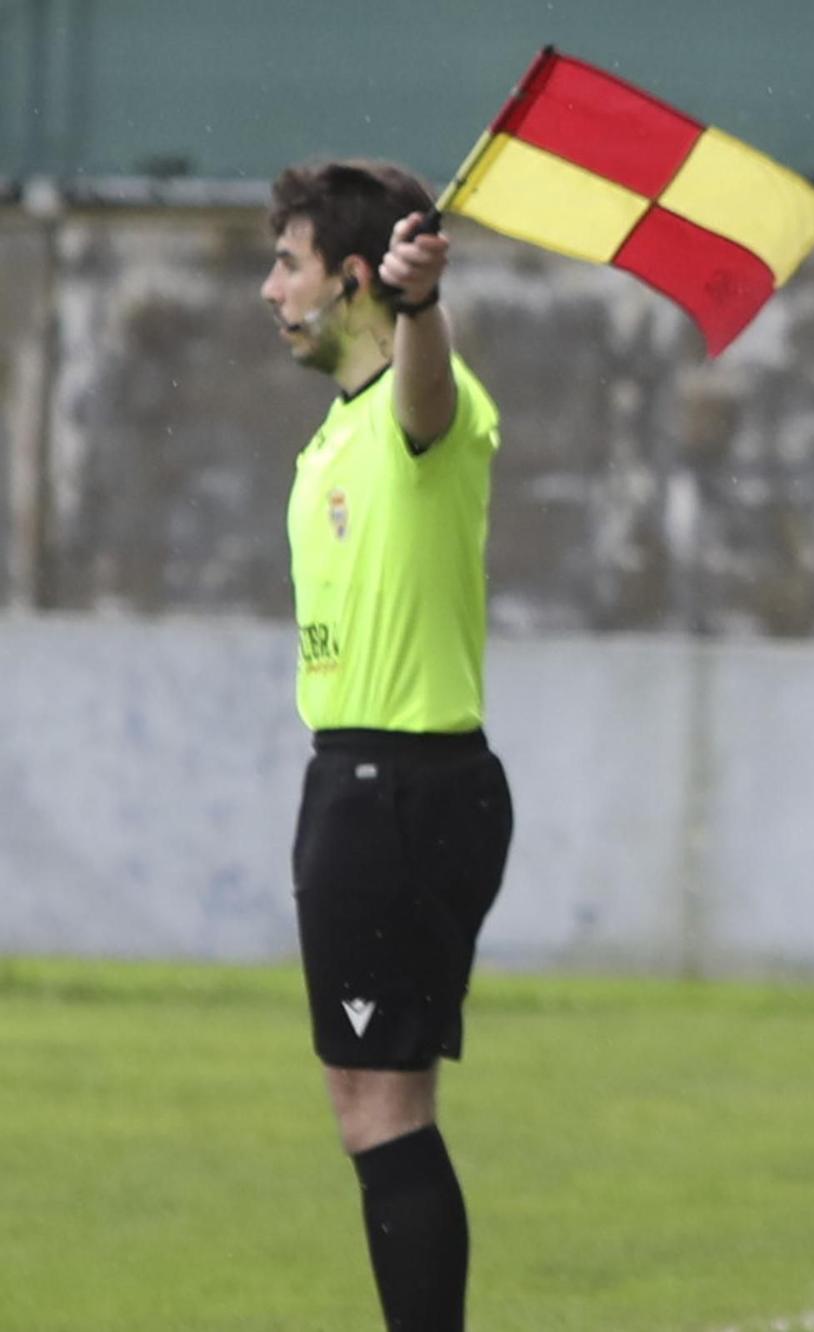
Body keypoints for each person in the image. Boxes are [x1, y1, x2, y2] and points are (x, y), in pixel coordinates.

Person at [261, 159, 511, 1332]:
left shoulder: (427, 398)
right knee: (368, 1097)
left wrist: (419, 307)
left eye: (287, 264)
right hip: (358, 785)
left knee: (381, 1109)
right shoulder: (330, 439)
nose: (270, 289)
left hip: (402, 785)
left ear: (351, 277)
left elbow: (427, 394)